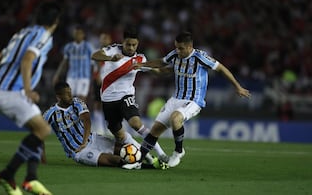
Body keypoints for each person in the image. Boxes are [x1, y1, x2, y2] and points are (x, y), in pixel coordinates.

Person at [132, 31, 251, 168]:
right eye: (176, 47)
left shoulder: (200, 57)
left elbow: (221, 68)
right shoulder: (175, 55)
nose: (178, 50)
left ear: (189, 47)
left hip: (194, 100)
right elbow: (161, 63)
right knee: (155, 131)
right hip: (176, 98)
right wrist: (142, 65)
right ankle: (137, 161)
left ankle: (178, 152)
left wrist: (237, 86)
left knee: (175, 119)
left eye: (181, 48)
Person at [0, 1, 61, 195]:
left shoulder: (21, 33)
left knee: (39, 130)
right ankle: (8, 174)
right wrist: (27, 89)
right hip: (11, 92)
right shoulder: (44, 35)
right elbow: (28, 59)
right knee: (43, 129)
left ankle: (31, 179)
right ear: (55, 22)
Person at [43, 82, 167, 170]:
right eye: (66, 94)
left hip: (93, 139)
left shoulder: (77, 102)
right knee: (114, 160)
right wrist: (42, 157)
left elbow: (87, 121)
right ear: (58, 96)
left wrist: (85, 141)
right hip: (79, 152)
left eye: (70, 92)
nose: (70, 96)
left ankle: (152, 160)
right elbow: (38, 134)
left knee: (125, 149)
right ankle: (147, 167)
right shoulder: (50, 114)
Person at [91, 26, 168, 164]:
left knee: (135, 123)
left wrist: (174, 69)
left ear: (137, 44)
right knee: (119, 135)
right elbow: (94, 55)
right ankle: (147, 158)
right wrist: (110, 58)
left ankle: (160, 152)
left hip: (126, 96)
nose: (131, 47)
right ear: (123, 42)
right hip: (108, 100)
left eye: (134, 45)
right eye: (128, 44)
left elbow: (157, 71)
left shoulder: (140, 59)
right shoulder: (113, 49)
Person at [52, 25, 95, 102]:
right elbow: (64, 62)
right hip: (71, 76)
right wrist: (57, 74)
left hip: (84, 77)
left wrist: (92, 79)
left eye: (79, 33)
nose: (77, 35)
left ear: (83, 35)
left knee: (81, 100)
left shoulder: (88, 47)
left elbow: (92, 64)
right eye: (76, 33)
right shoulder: (68, 47)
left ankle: (79, 113)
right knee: (69, 99)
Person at [91, 32, 112, 135]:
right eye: (102, 38)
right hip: (98, 79)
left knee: (108, 104)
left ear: (109, 40)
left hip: (108, 80)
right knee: (97, 104)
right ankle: (99, 128)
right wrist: (98, 75)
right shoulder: (96, 52)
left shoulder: (112, 52)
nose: (104, 40)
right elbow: (95, 65)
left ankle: (110, 127)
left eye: (106, 38)